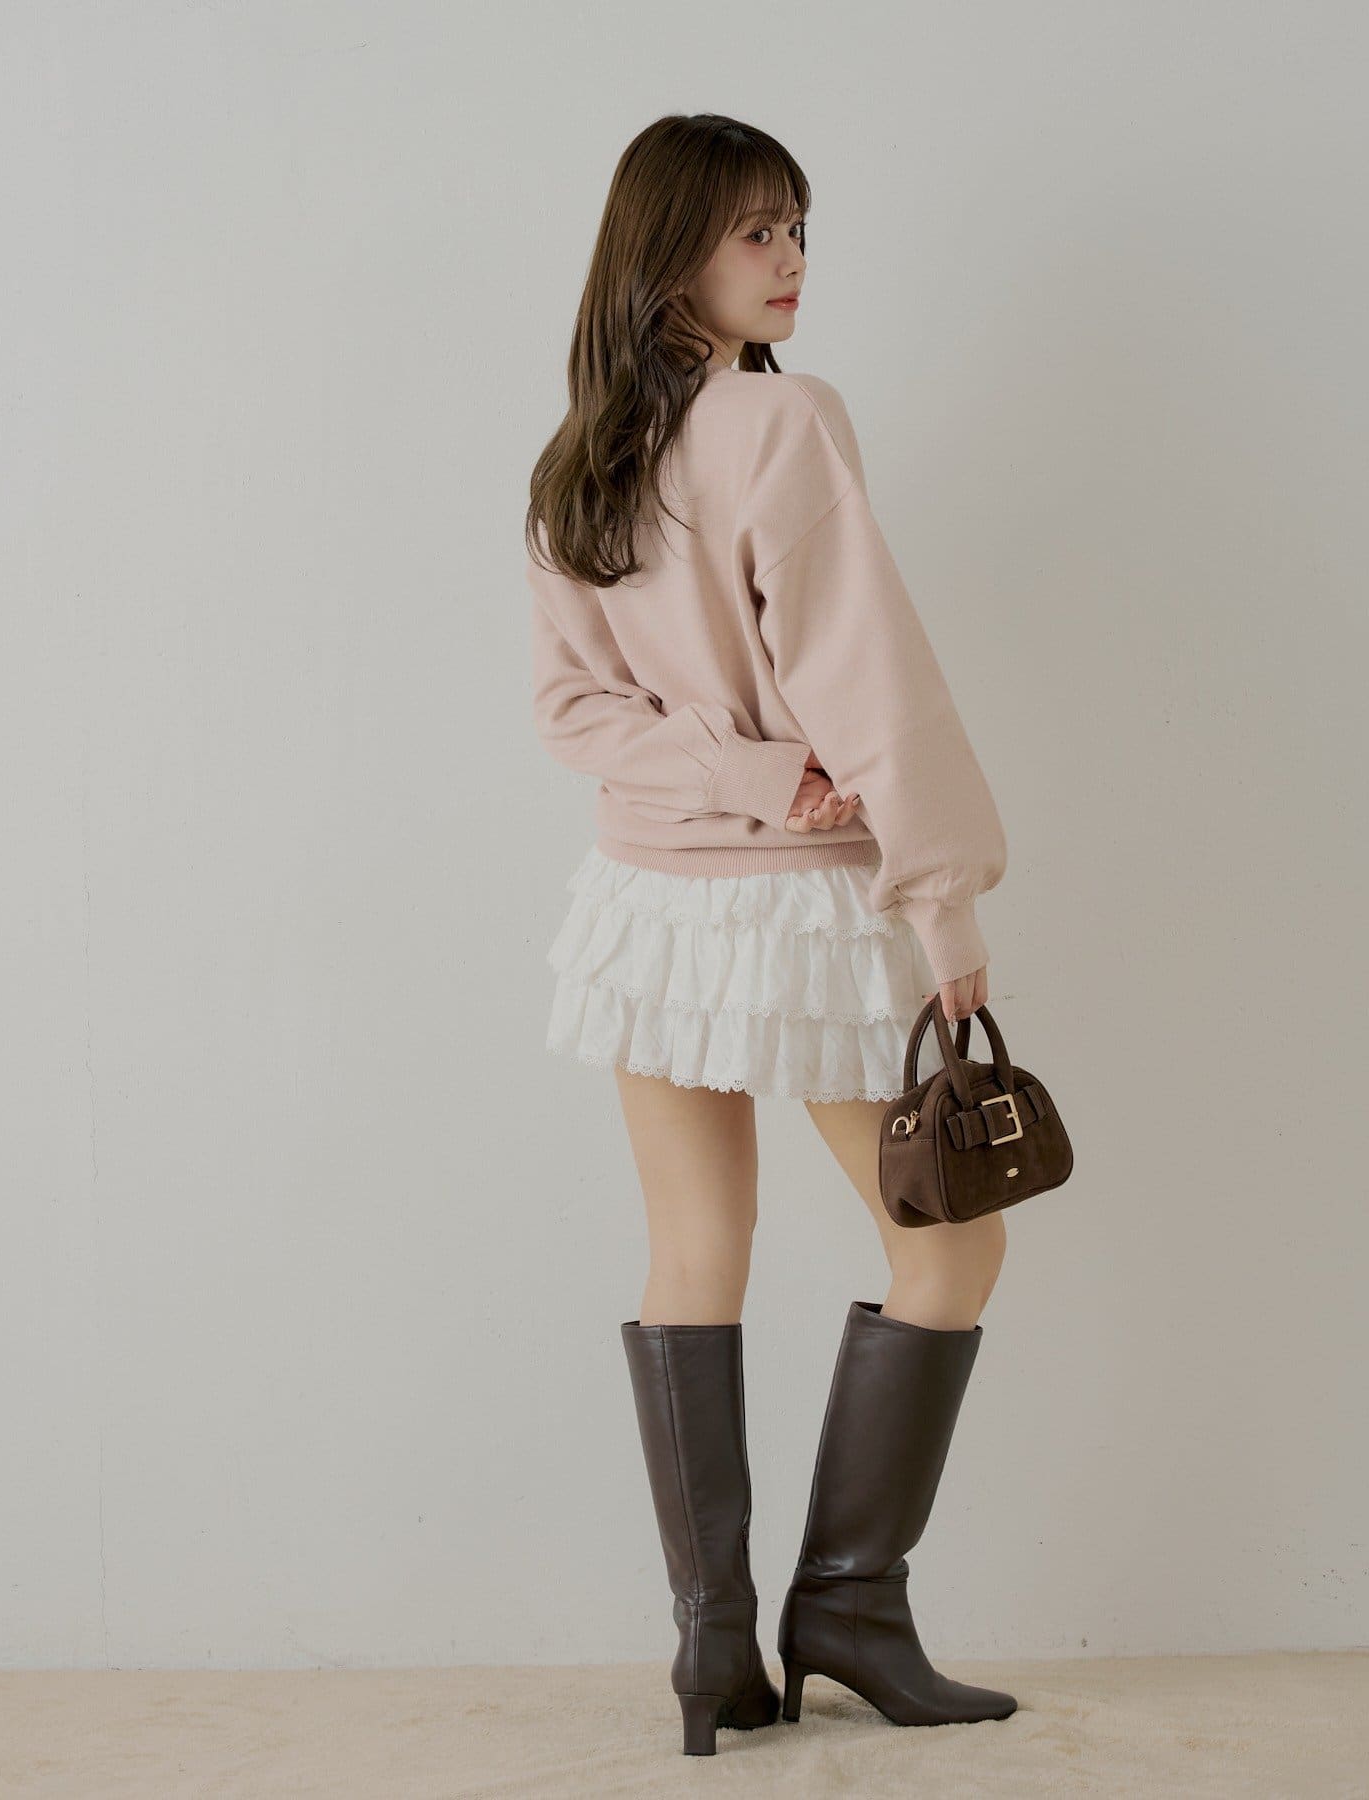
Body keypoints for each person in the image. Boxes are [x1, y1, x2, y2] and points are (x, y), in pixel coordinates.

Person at [526, 112, 1018, 1755]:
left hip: (646, 911)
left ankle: (712, 1649)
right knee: (951, 1243)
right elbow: (869, 677)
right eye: (757, 231)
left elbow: (575, 714)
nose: (793, 260)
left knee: (693, 1252)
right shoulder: (783, 421)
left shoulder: (578, 461)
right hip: (800, 910)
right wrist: (942, 893)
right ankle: (850, 1607)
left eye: (799, 227)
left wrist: (727, 772)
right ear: (669, 249)